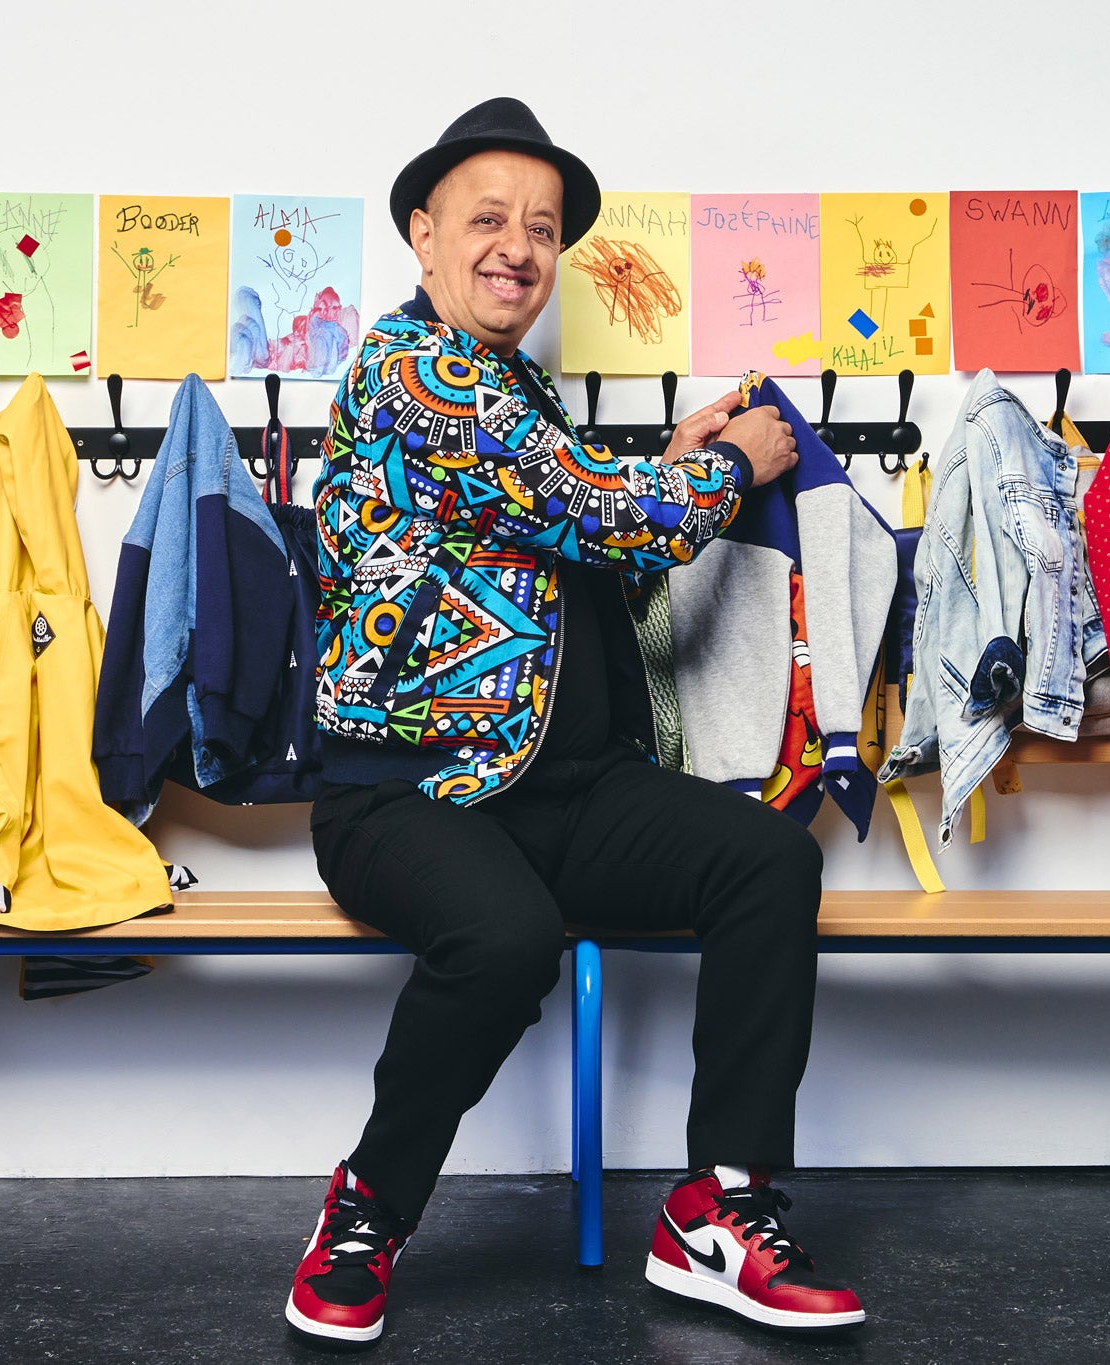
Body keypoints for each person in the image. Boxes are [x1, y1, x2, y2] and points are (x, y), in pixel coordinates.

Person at [284, 96, 866, 1346]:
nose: (518, 248)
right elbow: (606, 515)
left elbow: (564, 521)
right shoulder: (416, 373)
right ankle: (366, 1209)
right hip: (407, 794)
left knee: (765, 863)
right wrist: (733, 464)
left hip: (559, 788)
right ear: (421, 234)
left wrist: (664, 456)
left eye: (541, 229)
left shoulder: (518, 393)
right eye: (487, 220)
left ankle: (718, 1208)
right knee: (506, 939)